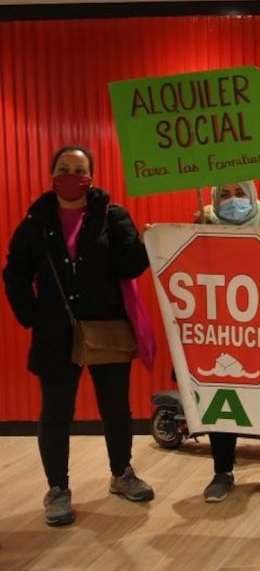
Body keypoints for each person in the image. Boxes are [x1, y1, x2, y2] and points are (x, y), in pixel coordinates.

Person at [3, 146, 154, 527]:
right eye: (64, 169)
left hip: (107, 327)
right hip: (55, 333)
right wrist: (34, 316)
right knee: (56, 413)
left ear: (92, 175)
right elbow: (14, 273)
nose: (72, 175)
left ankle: (122, 474)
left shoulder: (111, 215)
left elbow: (131, 266)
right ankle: (57, 489)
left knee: (116, 409)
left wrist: (144, 243)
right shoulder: (36, 221)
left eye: (79, 169)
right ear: (52, 173)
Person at [195, 180, 260, 502]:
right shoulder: (200, 230)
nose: (233, 201)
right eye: (224, 195)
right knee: (221, 396)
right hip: (222, 330)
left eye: (240, 193)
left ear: (253, 196)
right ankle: (222, 472)